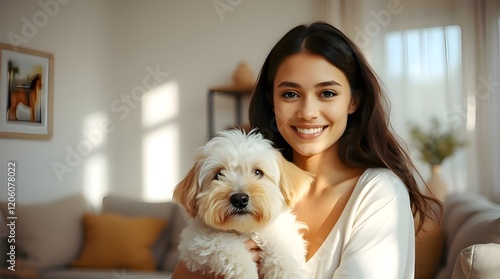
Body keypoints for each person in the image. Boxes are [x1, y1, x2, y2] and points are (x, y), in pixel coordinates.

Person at [172, 21, 441, 278]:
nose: (308, 112)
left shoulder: (379, 194)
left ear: (354, 101)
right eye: (290, 94)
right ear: (272, 101)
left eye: (327, 93)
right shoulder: (258, 187)